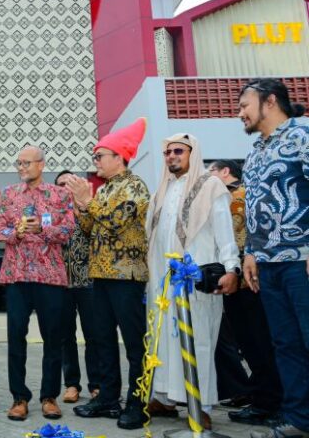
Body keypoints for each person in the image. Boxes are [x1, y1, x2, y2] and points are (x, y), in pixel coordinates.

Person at [145, 133, 240, 431]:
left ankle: (202, 405)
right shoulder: (161, 191)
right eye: (167, 152)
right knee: (164, 342)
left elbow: (225, 230)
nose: (172, 156)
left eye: (178, 151)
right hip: (164, 284)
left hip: (197, 281)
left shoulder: (211, 186)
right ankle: (165, 398)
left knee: (199, 342)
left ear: (192, 153)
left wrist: (232, 268)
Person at [68, 119, 150, 430]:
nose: (96, 161)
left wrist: (88, 202)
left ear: (119, 157)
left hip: (127, 276)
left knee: (134, 344)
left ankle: (138, 403)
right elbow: (90, 229)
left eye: (100, 155)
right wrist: (81, 206)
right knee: (102, 339)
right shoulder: (104, 189)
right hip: (100, 274)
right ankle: (107, 398)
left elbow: (116, 222)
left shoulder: (134, 186)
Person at [239, 79, 309, 438]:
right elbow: (253, 207)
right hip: (268, 263)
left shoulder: (303, 135)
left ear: (269, 102)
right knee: (286, 344)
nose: (240, 114)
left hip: (302, 260)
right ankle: (299, 420)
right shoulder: (255, 151)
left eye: (244, 105)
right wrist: (251, 252)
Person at [0, 146, 75, 421]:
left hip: (49, 276)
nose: (22, 168)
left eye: (26, 163)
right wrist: (15, 232)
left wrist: (43, 229)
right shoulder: (8, 194)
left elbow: (68, 229)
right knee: (16, 337)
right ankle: (19, 398)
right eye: (19, 163)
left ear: (41, 164)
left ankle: (49, 397)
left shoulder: (60, 194)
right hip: (17, 275)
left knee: (53, 338)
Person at [208, 159, 282, 426]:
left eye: (211, 171)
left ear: (225, 172)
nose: (207, 177)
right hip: (236, 280)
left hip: (249, 280)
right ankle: (262, 398)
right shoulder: (226, 197)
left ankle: (271, 402)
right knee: (249, 343)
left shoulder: (238, 196)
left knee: (258, 342)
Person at [54, 170, 100, 404]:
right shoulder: (51, 213)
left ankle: (97, 384)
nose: (65, 187)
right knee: (65, 337)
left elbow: (95, 233)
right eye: (61, 184)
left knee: (94, 335)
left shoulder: (90, 207)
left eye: (70, 183)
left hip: (88, 282)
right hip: (61, 283)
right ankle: (71, 384)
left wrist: (81, 209)